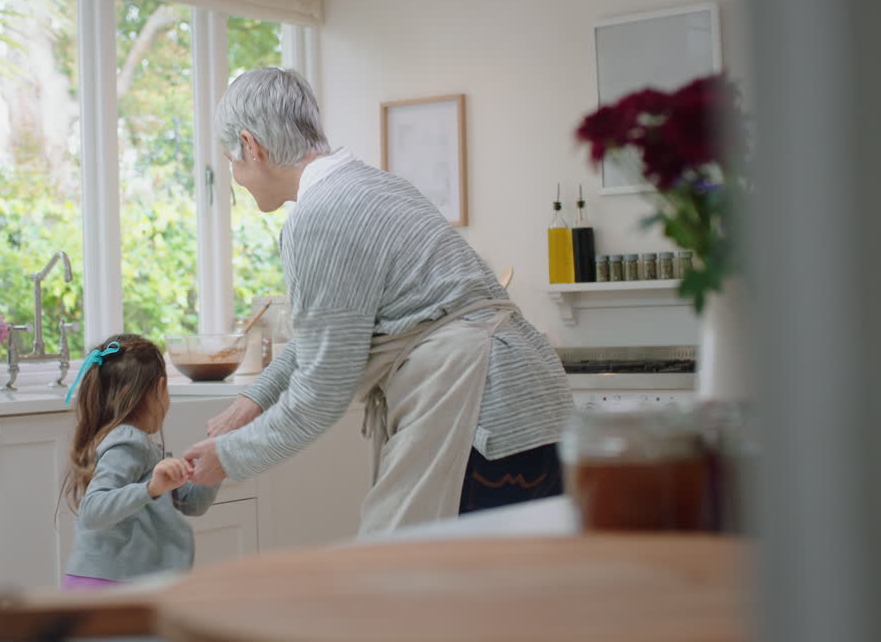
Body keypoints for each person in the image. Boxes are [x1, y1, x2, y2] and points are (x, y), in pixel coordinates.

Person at [184, 68, 574, 536]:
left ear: (252, 146)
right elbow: (325, 338)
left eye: (231, 160)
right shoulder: (372, 185)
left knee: (421, 587)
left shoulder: (319, 216)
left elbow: (321, 393)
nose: (235, 177)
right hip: (534, 404)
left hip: (486, 420)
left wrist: (227, 458)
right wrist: (253, 400)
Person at [61, 334, 219, 589]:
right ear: (159, 388)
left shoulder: (135, 444)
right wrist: (151, 489)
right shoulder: (128, 442)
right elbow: (92, 510)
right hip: (113, 587)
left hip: (114, 582)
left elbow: (191, 504)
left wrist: (215, 464)